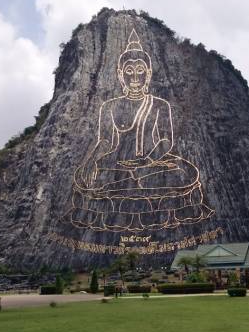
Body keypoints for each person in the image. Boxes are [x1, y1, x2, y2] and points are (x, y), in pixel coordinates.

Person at [67, 29, 213, 232]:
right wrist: (91, 161)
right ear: (120, 74)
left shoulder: (160, 105)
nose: (135, 76)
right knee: (90, 176)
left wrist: (147, 161)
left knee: (181, 172)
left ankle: (133, 192)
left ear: (149, 73)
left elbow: (165, 141)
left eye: (140, 70)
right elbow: (106, 141)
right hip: (118, 166)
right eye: (128, 71)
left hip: (152, 165)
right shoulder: (109, 106)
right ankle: (129, 189)